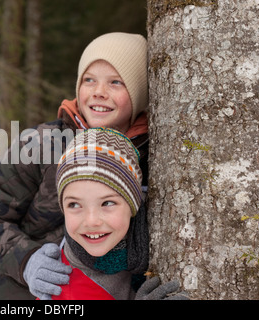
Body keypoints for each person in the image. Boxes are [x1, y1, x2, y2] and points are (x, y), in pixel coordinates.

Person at [0, 32, 150, 299]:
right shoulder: (40, 145)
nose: (99, 92)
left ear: (139, 92)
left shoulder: (153, 154)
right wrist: (26, 261)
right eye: (89, 80)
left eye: (115, 82)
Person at [26, 127, 186, 300]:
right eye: (74, 204)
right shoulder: (63, 285)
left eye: (107, 203)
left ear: (133, 205)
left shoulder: (146, 243)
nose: (91, 221)